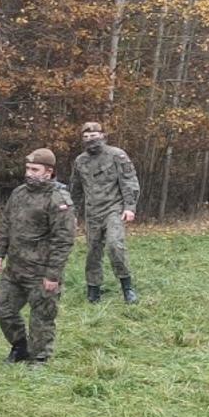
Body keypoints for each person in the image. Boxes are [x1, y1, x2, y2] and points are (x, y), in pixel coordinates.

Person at [0, 148, 76, 365]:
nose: (29, 173)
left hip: (41, 272)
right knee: (2, 306)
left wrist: (53, 274)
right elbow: (6, 223)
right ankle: (20, 347)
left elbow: (63, 240)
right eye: (28, 168)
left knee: (42, 317)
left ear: (48, 172)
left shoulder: (58, 199)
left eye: (35, 169)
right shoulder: (19, 193)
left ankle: (39, 358)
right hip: (15, 268)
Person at [70, 121, 141, 304]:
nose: (90, 140)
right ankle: (93, 290)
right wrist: (71, 214)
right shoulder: (80, 161)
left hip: (114, 209)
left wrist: (129, 207)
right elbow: (75, 190)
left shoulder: (117, 155)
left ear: (102, 135)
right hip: (92, 212)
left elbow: (129, 181)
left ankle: (127, 287)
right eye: (86, 137)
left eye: (93, 136)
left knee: (114, 245)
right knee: (93, 252)